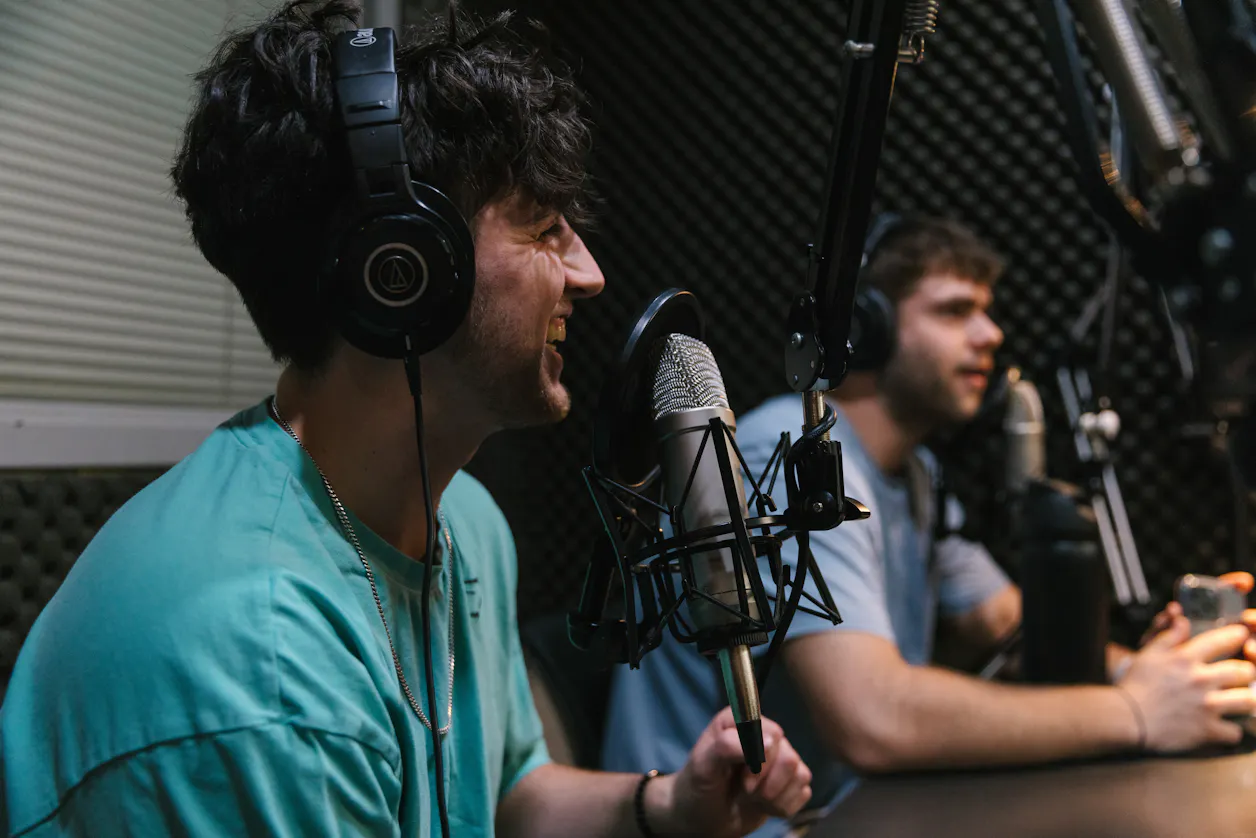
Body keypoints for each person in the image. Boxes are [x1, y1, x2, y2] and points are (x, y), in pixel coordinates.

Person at [0, 4, 815, 837]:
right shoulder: (261, 664)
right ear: (405, 271)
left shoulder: (460, 515)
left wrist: (667, 806)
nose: (590, 273)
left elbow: (505, 796)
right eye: (544, 228)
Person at [600, 214, 1256, 836]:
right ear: (869, 330)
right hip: (721, 827)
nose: (992, 334)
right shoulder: (790, 453)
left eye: (988, 310)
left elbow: (1006, 620)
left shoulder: (916, 475)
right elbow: (874, 718)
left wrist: (1166, 672)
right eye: (954, 310)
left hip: (834, 815)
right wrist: (1138, 711)